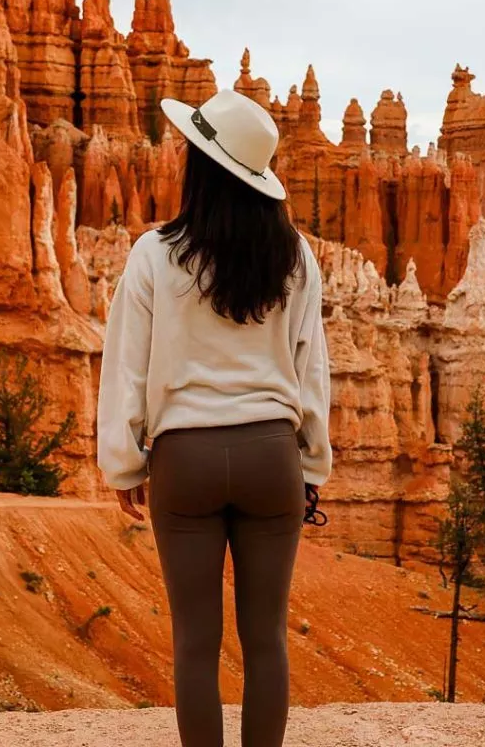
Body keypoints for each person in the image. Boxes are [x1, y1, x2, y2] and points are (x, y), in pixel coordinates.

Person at [97, 87, 332, 747]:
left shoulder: (154, 253)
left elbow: (127, 365)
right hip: (270, 456)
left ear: (201, 167)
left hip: (185, 459)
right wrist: (311, 465)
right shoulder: (295, 257)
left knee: (195, 643)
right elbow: (311, 367)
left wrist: (124, 463)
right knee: (267, 638)